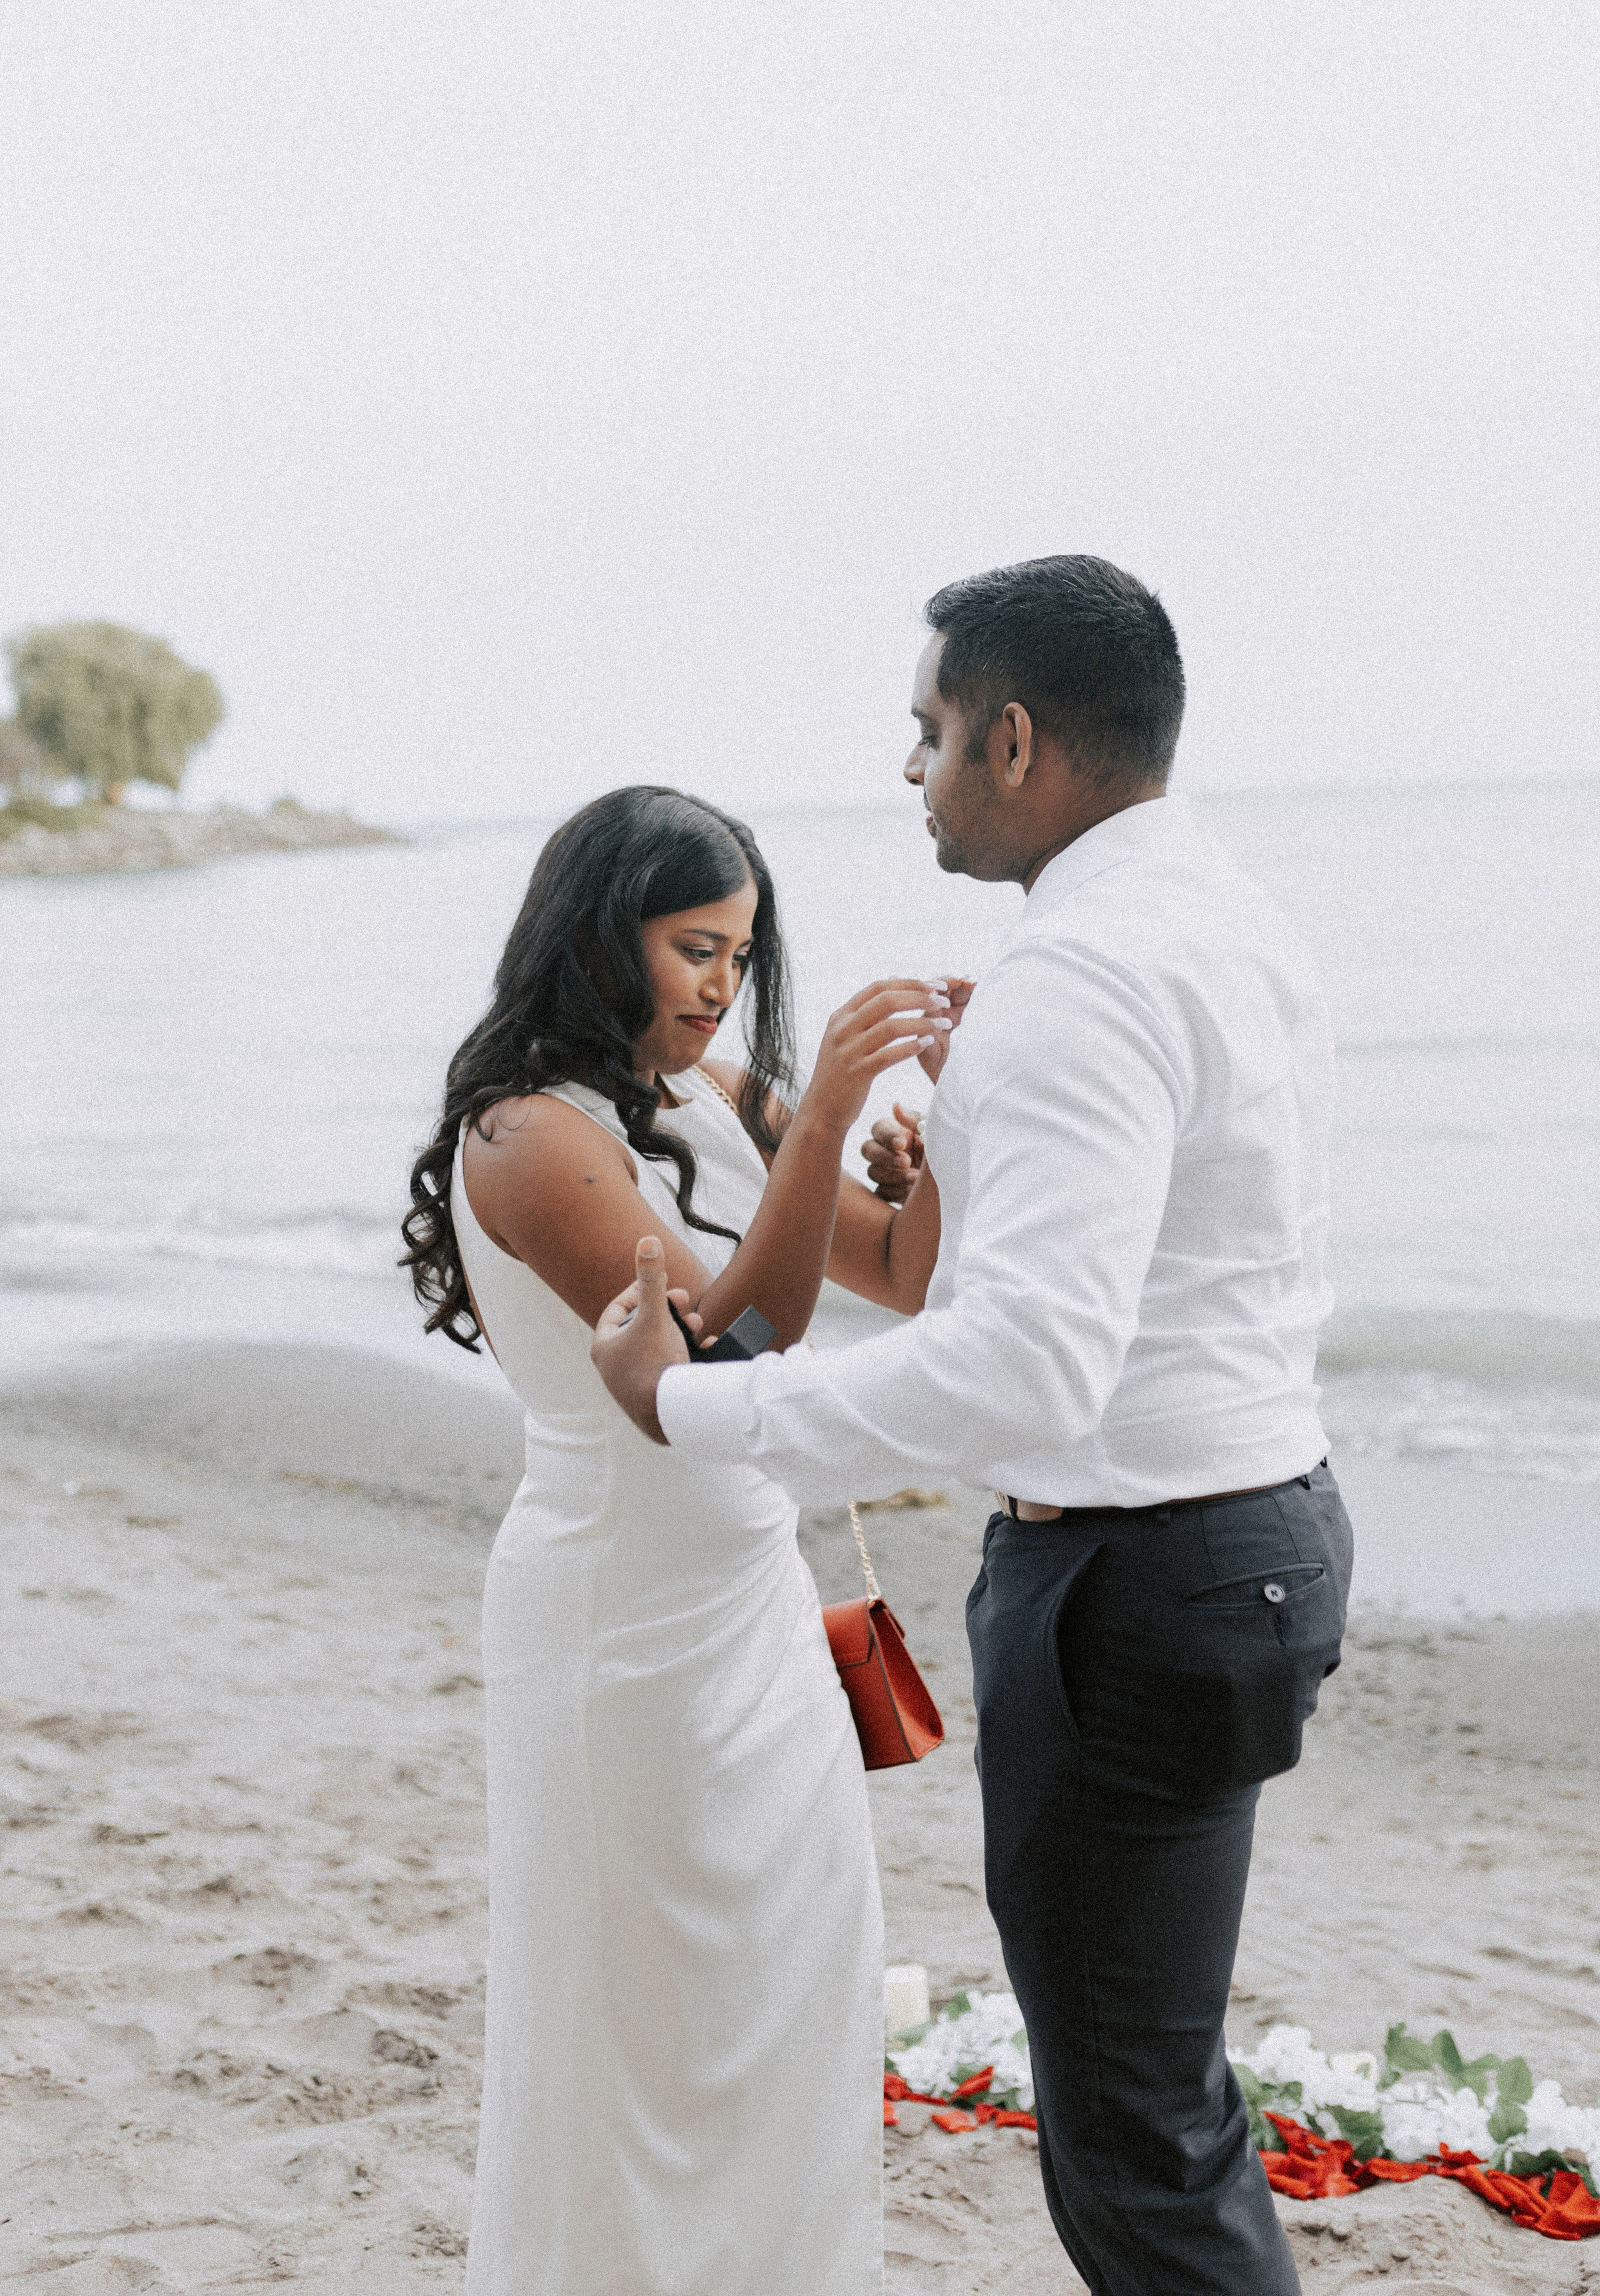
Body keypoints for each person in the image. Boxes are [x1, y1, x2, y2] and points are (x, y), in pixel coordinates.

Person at [592, 558, 1353, 2296]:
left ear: (1014, 739)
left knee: (1134, 2144)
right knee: (1160, 2096)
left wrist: (698, 1406)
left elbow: (1025, 1374)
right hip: (1256, 1527)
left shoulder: (1079, 978)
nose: (914, 773)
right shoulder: (1235, 921)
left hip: (1140, 1577)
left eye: (929, 734)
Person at [401, 784, 961, 2296]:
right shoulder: (525, 1137)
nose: (721, 983)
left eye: (739, 951)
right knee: (634, 2016)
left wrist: (942, 1140)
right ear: (601, 936)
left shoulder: (723, 1097)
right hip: (617, 1623)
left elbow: (906, 1276)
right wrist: (825, 1112)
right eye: (692, 945)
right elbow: (719, 1354)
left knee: (789, 1982)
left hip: (753, 1602)